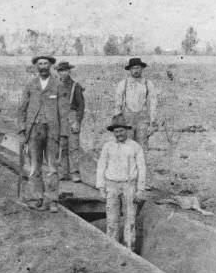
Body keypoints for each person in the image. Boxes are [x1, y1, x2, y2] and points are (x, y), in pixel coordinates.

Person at [17, 55, 67, 212]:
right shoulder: (31, 85)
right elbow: (22, 109)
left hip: (52, 131)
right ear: (36, 67)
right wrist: (21, 130)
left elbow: (64, 112)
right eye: (40, 64)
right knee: (34, 166)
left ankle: (52, 200)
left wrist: (64, 134)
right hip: (34, 130)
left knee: (52, 167)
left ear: (51, 66)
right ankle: (35, 198)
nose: (43, 66)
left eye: (46, 63)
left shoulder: (58, 85)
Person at [95, 115, 147, 251]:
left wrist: (140, 190)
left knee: (130, 219)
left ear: (127, 131)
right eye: (116, 131)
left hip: (129, 186)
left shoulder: (135, 147)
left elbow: (142, 168)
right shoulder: (108, 146)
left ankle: (129, 248)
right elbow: (101, 166)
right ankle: (112, 248)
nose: (119, 134)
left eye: (121, 131)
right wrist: (101, 188)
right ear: (113, 132)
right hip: (111, 186)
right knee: (112, 219)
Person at [112, 57, 158, 155]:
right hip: (127, 119)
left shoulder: (148, 84)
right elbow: (117, 102)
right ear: (130, 70)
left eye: (138, 68)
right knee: (127, 147)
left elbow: (153, 102)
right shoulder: (123, 84)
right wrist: (117, 121)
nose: (136, 70)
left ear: (142, 69)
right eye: (133, 68)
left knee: (142, 148)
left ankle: (141, 169)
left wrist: (152, 122)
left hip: (143, 119)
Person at [55, 61, 86, 183]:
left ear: (69, 71)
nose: (63, 73)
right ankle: (63, 173)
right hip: (60, 119)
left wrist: (77, 121)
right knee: (62, 147)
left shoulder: (75, 86)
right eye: (61, 71)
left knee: (73, 147)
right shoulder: (55, 86)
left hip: (72, 118)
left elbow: (81, 106)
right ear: (58, 72)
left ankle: (75, 173)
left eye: (66, 71)